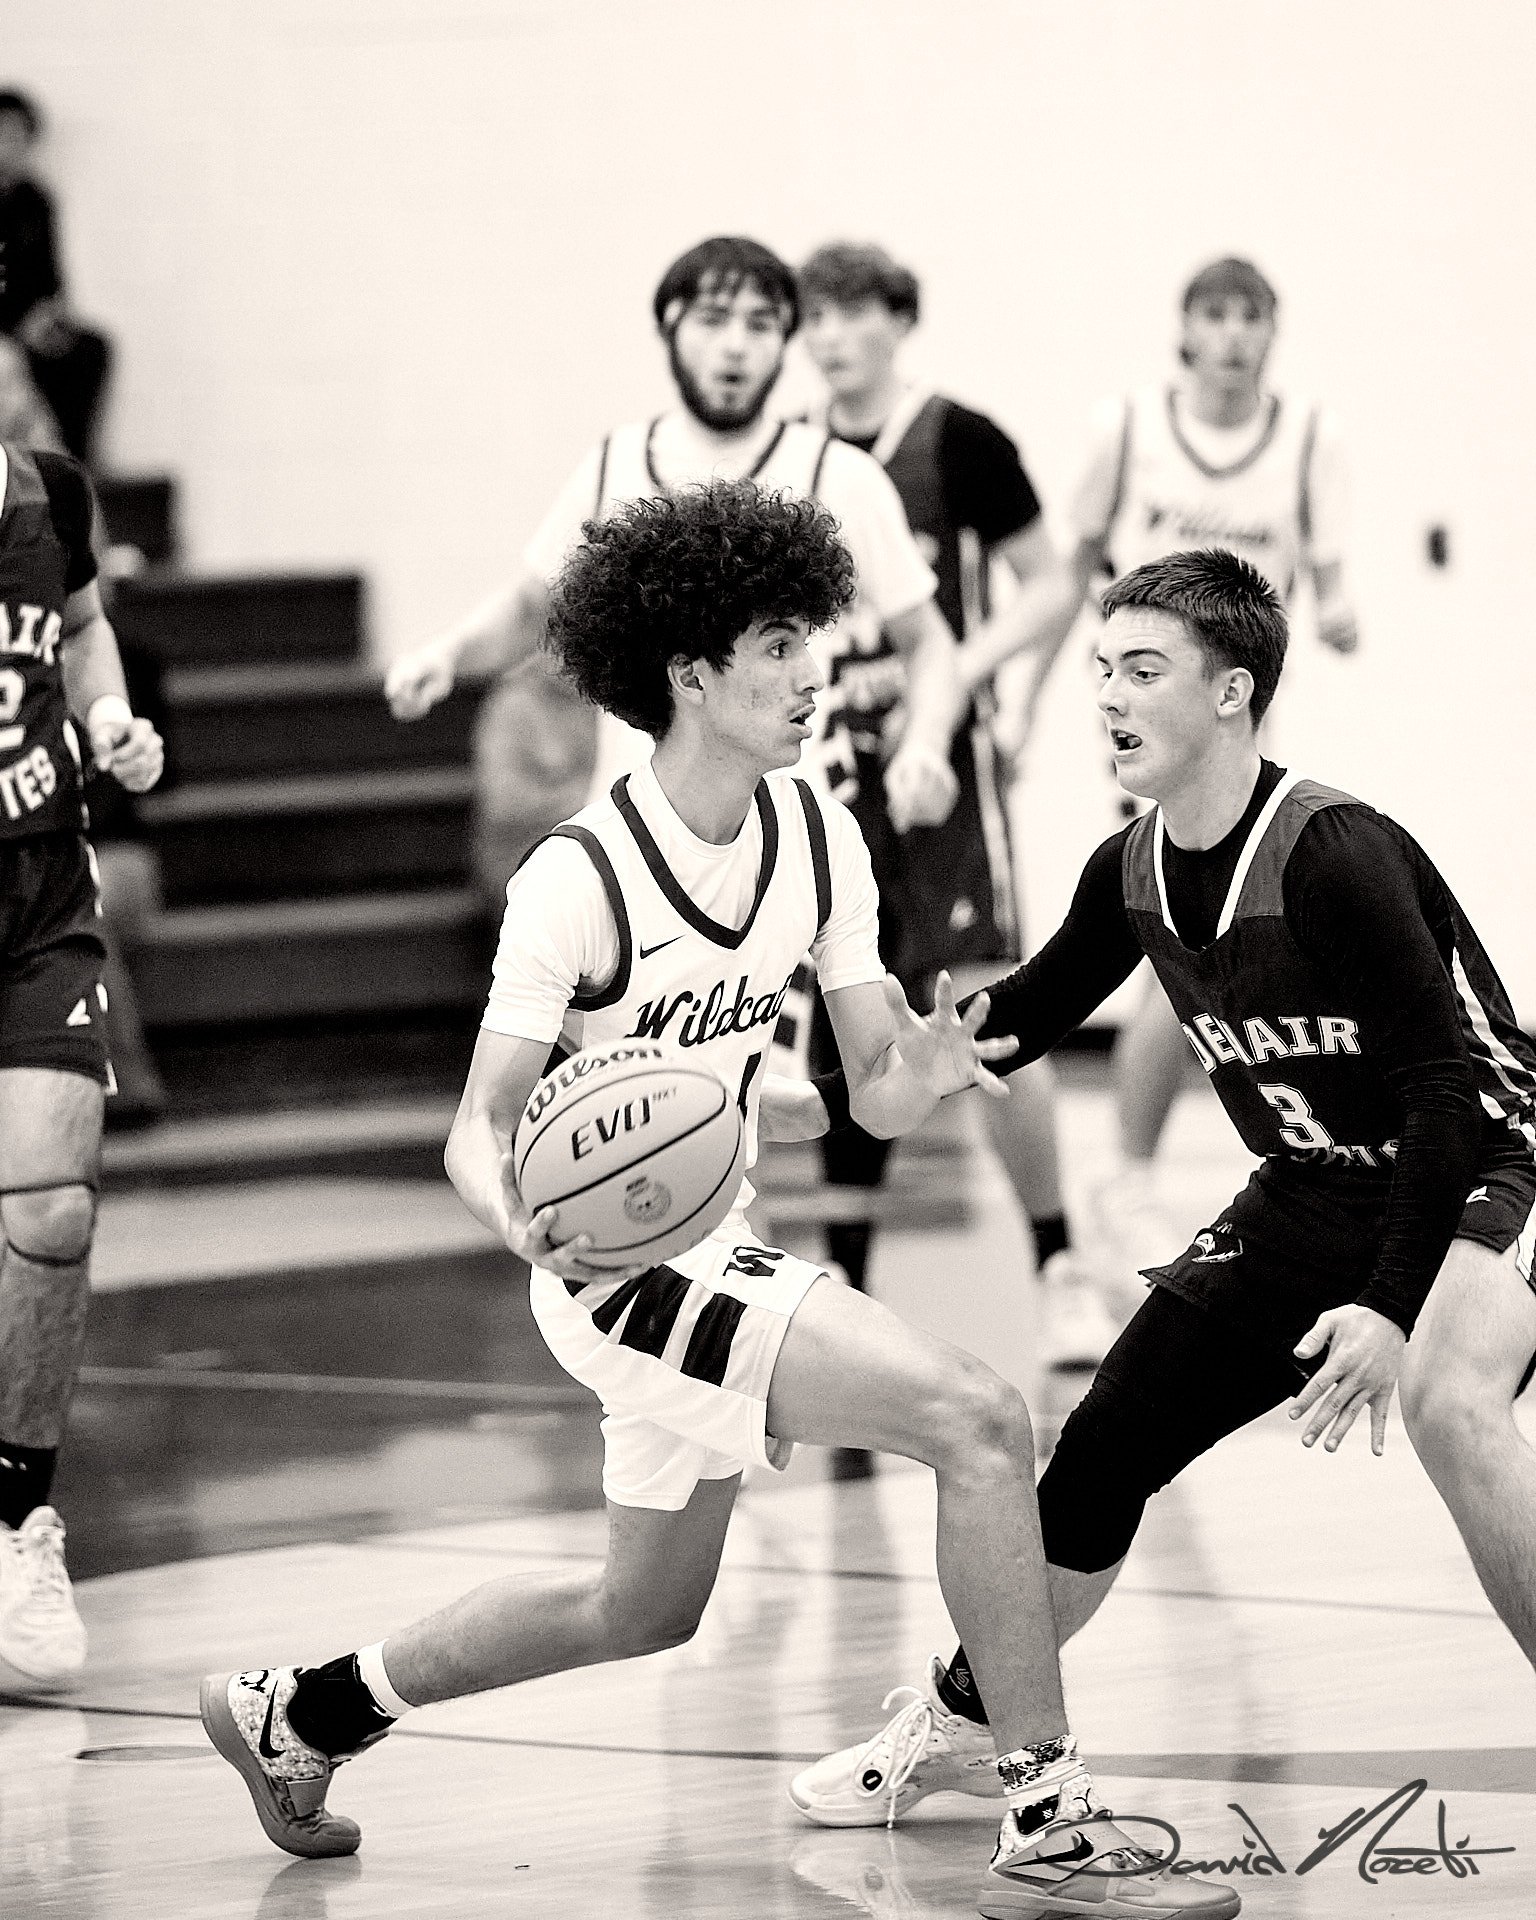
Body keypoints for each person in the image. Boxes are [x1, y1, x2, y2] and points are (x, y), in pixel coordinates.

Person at [202, 485, 1234, 1920]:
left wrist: (926, 1071)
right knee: (982, 1418)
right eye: (780, 647)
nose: (818, 672)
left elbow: (875, 1094)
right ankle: (1047, 1819)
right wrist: (519, 1219)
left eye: (814, 638)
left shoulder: (818, 836)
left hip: (719, 1243)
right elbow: (474, 1130)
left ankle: (304, 1710)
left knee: (640, 1607)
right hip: (613, 1267)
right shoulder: (576, 880)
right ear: (690, 674)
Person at [788, 547, 1536, 1827]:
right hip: (1311, 1185)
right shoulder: (1127, 870)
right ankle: (970, 1717)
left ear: (1232, 691)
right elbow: (1007, 1026)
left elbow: (1443, 1096)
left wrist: (1387, 1305)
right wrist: (848, 1085)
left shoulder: (1334, 853)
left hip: (1491, 1158)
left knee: (1449, 1403)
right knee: (1105, 1447)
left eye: (1143, 670)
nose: (1109, 697)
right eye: (1102, 670)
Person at [967, 257, 1361, 1278]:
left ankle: (1131, 1178)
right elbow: (1068, 578)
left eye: (1249, 316)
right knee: (1174, 940)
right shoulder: (1130, 428)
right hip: (1151, 724)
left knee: (1200, 948)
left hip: (1241, 725)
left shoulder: (1309, 438)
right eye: (1213, 315)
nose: (1231, 335)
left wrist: (1342, 609)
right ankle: (1130, 1178)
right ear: (1185, 331)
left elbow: (1329, 574)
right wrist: (1024, 702)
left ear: (1272, 332)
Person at [384, 236, 966, 906]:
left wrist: (924, 744)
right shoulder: (615, 463)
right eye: (713, 320)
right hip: (639, 840)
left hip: (785, 842)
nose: (735, 347)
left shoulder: (839, 476)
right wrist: (446, 654)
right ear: (670, 327)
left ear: (786, 343)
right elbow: (529, 608)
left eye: (761, 325)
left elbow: (929, 642)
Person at [796, 241, 1106, 1366]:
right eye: (815, 316)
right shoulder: (796, 457)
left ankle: (1059, 1264)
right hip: (832, 765)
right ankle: (841, 1277)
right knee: (847, 1006)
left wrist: (963, 674)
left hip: (945, 776)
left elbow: (1056, 582)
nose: (831, 335)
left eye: (852, 312)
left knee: (985, 1003)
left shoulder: (959, 440)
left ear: (898, 320)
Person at [0, 436, 164, 1690]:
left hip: (40, 893)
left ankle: (16, 1524)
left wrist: (106, 715)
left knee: (54, 1207)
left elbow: (85, 624)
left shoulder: (48, 490)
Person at [0, 90, 112, 467]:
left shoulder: (36, 201)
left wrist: (47, 315)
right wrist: (16, 325)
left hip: (31, 321)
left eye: (17, 136)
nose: (8, 146)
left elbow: (50, 276)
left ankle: (76, 461)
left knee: (89, 349)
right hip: (6, 327)